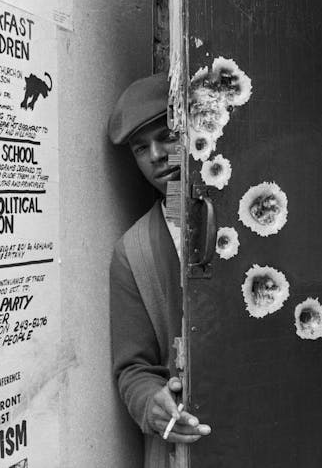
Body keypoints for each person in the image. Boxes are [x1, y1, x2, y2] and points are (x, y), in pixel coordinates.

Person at [108, 73, 211, 467]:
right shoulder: (132, 253)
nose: (154, 155)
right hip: (188, 447)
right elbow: (132, 369)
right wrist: (151, 402)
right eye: (139, 148)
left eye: (166, 137)